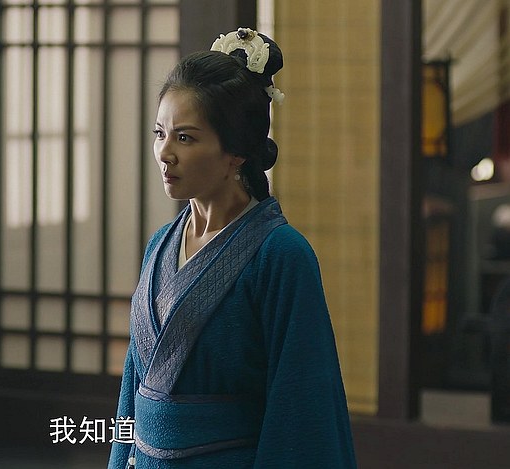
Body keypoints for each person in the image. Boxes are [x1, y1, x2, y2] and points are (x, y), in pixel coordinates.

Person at [107, 28, 356, 468]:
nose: (164, 153)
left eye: (185, 138)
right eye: (160, 133)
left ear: (236, 152)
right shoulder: (160, 245)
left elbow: (301, 405)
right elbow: (133, 387)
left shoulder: (281, 255)